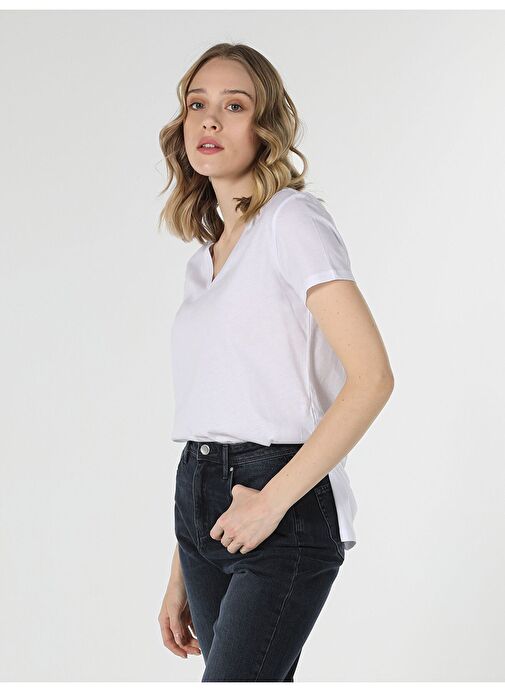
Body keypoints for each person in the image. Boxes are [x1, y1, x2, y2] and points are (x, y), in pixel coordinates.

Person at [157, 43, 394, 682]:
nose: (210, 119)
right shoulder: (204, 260)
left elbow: (373, 378)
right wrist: (183, 563)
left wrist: (270, 503)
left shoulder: (292, 220)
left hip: (280, 498)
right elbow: (217, 409)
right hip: (201, 502)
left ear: (265, 129)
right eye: (197, 105)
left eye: (234, 106)